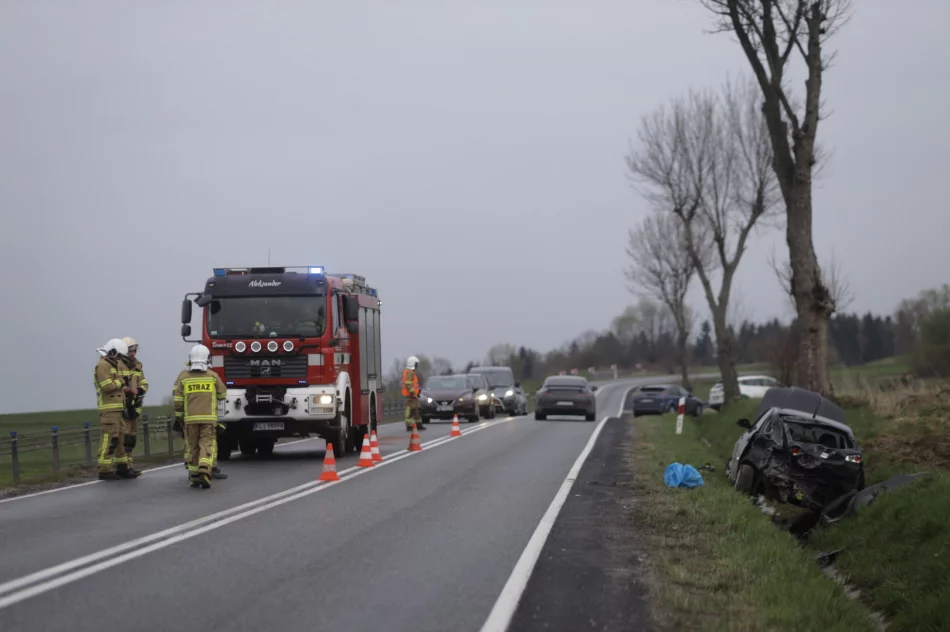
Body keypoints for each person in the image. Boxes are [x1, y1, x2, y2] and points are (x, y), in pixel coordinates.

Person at [172, 344, 227, 489]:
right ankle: (204, 470)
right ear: (206, 358)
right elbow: (222, 394)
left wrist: (179, 418)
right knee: (206, 444)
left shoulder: (184, 376)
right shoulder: (212, 376)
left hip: (190, 419)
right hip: (208, 419)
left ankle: (194, 475)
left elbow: (177, 401)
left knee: (192, 447)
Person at [93, 339, 137, 480]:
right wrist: (122, 381)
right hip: (109, 409)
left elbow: (116, 384)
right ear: (112, 352)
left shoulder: (111, 364)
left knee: (121, 439)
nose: (119, 359)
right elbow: (107, 386)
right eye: (118, 356)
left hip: (117, 408)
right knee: (109, 439)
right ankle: (105, 470)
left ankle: (122, 467)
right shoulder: (103, 365)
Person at [120, 336, 147, 475]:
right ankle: (122, 465)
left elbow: (144, 383)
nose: (133, 353)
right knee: (122, 437)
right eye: (130, 351)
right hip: (121, 406)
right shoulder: (117, 365)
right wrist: (124, 388)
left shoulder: (138, 365)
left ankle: (129, 465)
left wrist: (139, 390)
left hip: (134, 406)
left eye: (134, 350)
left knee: (132, 437)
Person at [402, 356, 425, 431]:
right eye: (416, 364)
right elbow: (408, 384)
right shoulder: (410, 372)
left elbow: (413, 384)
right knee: (410, 411)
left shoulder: (411, 372)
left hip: (413, 396)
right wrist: (413, 393)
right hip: (410, 396)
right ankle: (409, 426)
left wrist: (417, 393)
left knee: (416, 410)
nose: (417, 366)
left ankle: (419, 425)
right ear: (413, 364)